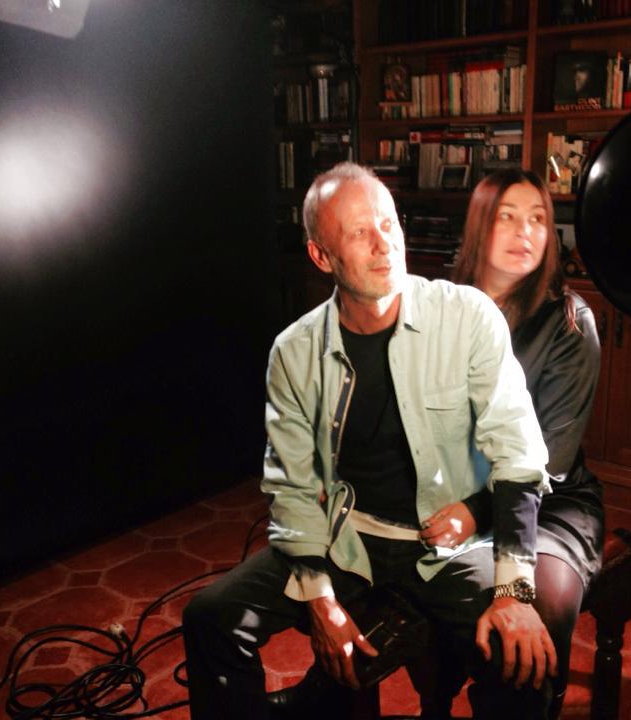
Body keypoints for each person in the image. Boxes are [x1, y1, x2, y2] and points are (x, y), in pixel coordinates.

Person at [181, 162, 555, 720]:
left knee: (518, 658)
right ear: (321, 256)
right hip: (345, 540)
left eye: (388, 223)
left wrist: (515, 591)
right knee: (210, 617)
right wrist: (319, 597)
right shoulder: (294, 352)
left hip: (447, 550)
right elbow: (292, 486)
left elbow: (518, 454)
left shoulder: (467, 316)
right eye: (359, 232)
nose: (385, 245)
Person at [417, 168, 604, 719]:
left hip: (550, 505)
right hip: (452, 493)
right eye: (508, 217)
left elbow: (553, 460)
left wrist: (475, 513)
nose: (527, 232)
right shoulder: (437, 309)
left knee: (534, 618)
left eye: (539, 219)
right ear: (479, 226)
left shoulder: (569, 322)